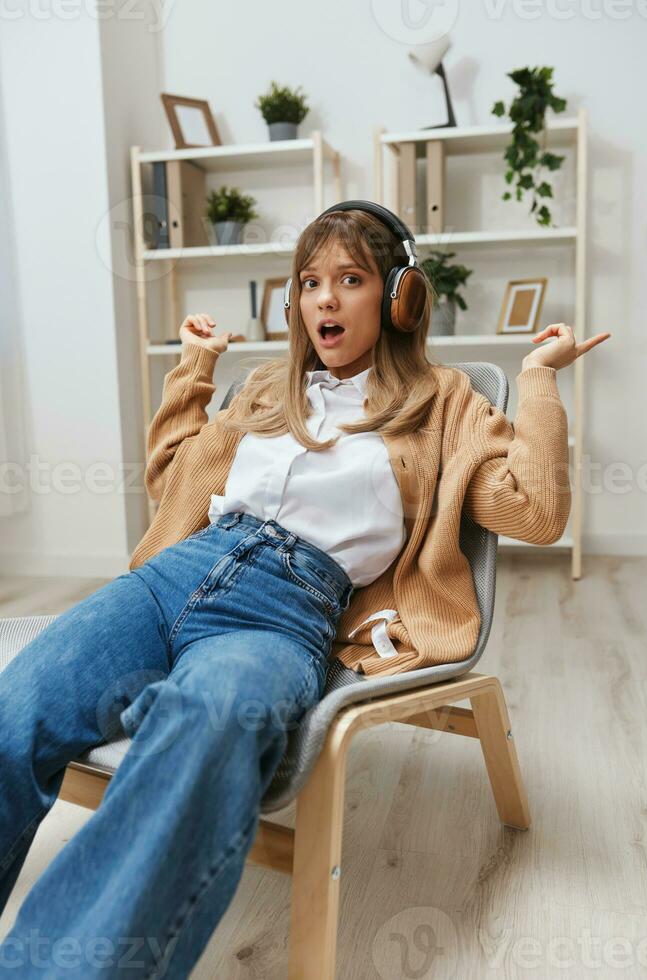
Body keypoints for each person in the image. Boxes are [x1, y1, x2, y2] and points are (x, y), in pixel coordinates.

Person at [0, 202, 610, 977]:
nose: (324, 298)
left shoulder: (443, 403)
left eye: (351, 279)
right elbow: (174, 479)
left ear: (400, 299)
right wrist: (195, 371)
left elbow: (534, 509)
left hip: (281, 614)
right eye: (310, 282)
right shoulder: (267, 390)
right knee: (15, 712)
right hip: (170, 581)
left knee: (208, 722)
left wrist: (537, 381)